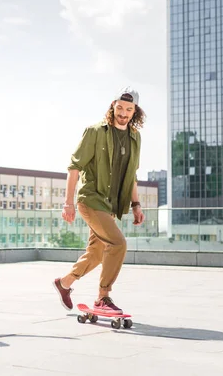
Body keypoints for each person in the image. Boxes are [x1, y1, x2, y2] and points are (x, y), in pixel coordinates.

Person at [53, 86, 146, 315]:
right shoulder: (95, 132)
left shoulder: (135, 137)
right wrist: (68, 203)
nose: (123, 112)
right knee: (118, 243)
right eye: (120, 107)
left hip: (111, 205)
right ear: (113, 105)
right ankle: (103, 297)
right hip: (91, 199)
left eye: (129, 109)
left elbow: (131, 174)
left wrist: (136, 205)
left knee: (96, 253)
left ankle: (64, 283)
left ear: (135, 111)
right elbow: (74, 167)